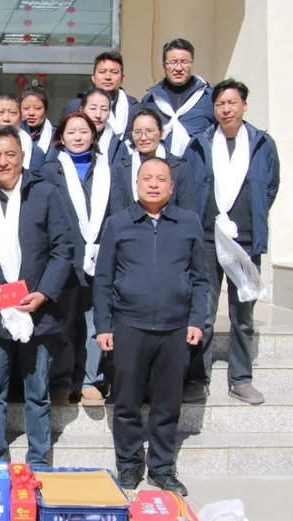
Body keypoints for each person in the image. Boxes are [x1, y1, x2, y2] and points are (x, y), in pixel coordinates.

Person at [94, 157, 209, 496]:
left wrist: (196, 320)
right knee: (127, 402)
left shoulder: (188, 222)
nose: (154, 184)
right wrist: (103, 325)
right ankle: (129, 465)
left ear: (172, 186)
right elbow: (103, 279)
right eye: (147, 178)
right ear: (137, 184)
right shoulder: (119, 223)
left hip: (175, 329)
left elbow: (201, 279)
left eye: (161, 179)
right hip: (129, 325)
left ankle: (161, 468)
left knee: (167, 404)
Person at [0, 126, 74, 466]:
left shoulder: (45, 193)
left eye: (10, 154)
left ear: (23, 156)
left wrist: (44, 293)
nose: (3, 161)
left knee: (37, 393)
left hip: (37, 310)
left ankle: (38, 458)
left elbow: (62, 248)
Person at [183, 79, 280, 405]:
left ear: (244, 106)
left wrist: (251, 216)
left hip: (245, 240)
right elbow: (189, 185)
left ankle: (241, 378)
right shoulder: (200, 143)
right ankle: (198, 377)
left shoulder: (262, 143)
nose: (226, 109)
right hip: (207, 238)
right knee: (204, 312)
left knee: (243, 314)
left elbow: (270, 187)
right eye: (220, 104)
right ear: (214, 109)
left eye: (232, 102)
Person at [39, 111, 112, 405]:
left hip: (100, 256)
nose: (78, 137)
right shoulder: (50, 170)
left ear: (93, 135)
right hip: (64, 258)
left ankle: (91, 380)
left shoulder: (107, 169)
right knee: (64, 321)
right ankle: (62, 380)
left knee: (95, 322)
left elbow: (117, 212)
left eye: (84, 131)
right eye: (71, 132)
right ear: (61, 137)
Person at [110, 107, 197, 214]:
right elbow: (117, 214)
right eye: (137, 132)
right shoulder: (121, 169)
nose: (143, 138)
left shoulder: (179, 167)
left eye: (149, 131)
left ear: (161, 133)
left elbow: (188, 212)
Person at [141, 38, 215, 157]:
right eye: (173, 62)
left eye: (184, 62)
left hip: (198, 165)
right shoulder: (150, 101)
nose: (179, 68)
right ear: (164, 66)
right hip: (161, 165)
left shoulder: (209, 97)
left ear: (192, 64)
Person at [60, 51, 139, 141]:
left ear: (122, 78)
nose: (108, 77)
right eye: (102, 72)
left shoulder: (133, 108)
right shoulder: (76, 105)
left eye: (114, 72)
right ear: (93, 77)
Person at [80, 88, 125, 164]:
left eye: (104, 109)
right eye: (93, 108)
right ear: (82, 110)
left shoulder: (118, 146)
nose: (98, 115)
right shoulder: (71, 140)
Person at [20, 85, 57, 162]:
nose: (31, 113)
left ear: (46, 111)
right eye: (26, 108)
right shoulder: (12, 134)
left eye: (37, 108)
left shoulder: (56, 136)